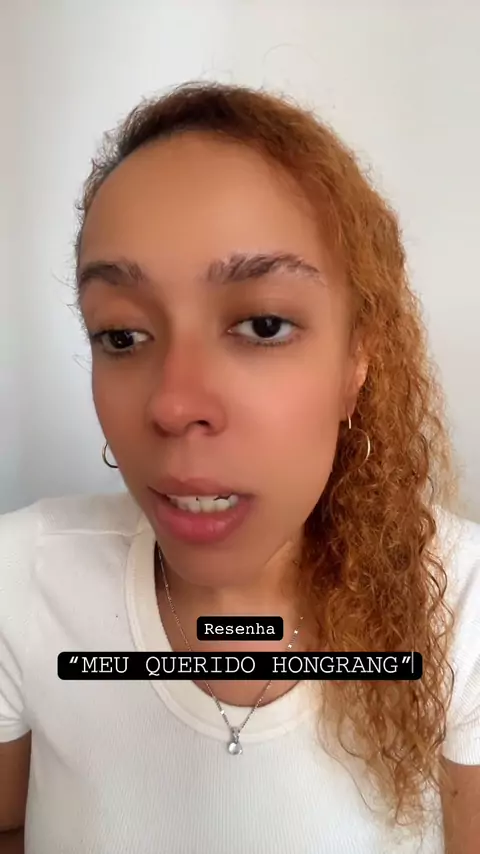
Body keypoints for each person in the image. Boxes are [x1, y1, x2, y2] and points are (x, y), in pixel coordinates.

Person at [0, 81, 479, 854]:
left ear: (357, 361)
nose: (172, 404)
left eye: (262, 324)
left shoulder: (461, 605)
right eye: (121, 336)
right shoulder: (20, 582)